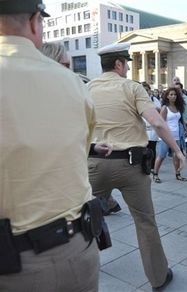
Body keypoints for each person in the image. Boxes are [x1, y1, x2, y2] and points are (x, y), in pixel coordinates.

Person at [0, 1, 101, 290]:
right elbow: (78, 153)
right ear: (35, 21)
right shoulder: (75, 83)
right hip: (77, 248)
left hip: (11, 265)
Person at [87, 42, 185, 290]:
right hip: (131, 167)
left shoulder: (86, 88)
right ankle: (158, 277)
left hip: (95, 164)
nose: (128, 68)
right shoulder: (131, 87)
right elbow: (158, 123)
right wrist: (177, 150)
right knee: (145, 222)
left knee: (86, 218)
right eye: (127, 64)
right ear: (119, 64)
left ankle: (86, 270)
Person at [39, 41, 121, 216]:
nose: (70, 71)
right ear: (49, 63)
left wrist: (93, 147)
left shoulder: (65, 96)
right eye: (66, 65)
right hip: (48, 196)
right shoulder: (36, 101)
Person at [152, 87, 187, 183]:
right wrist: (161, 135)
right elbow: (160, 123)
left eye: (175, 94)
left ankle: (178, 174)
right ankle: (155, 174)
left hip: (176, 135)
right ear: (167, 96)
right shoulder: (165, 108)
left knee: (176, 155)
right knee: (162, 155)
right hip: (166, 136)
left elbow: (181, 120)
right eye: (171, 94)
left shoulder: (178, 107)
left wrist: (185, 129)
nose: (173, 96)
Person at [142, 82, 162, 170]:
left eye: (146, 90)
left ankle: (152, 166)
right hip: (142, 127)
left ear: (149, 91)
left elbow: (160, 110)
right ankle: (144, 165)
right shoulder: (138, 100)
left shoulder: (154, 100)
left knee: (152, 147)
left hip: (152, 127)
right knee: (143, 147)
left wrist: (153, 107)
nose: (145, 92)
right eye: (143, 90)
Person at [174, 81, 187, 159]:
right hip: (177, 121)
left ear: (181, 89)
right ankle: (181, 151)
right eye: (175, 89)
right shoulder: (173, 98)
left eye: (178, 89)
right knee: (178, 137)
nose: (177, 90)